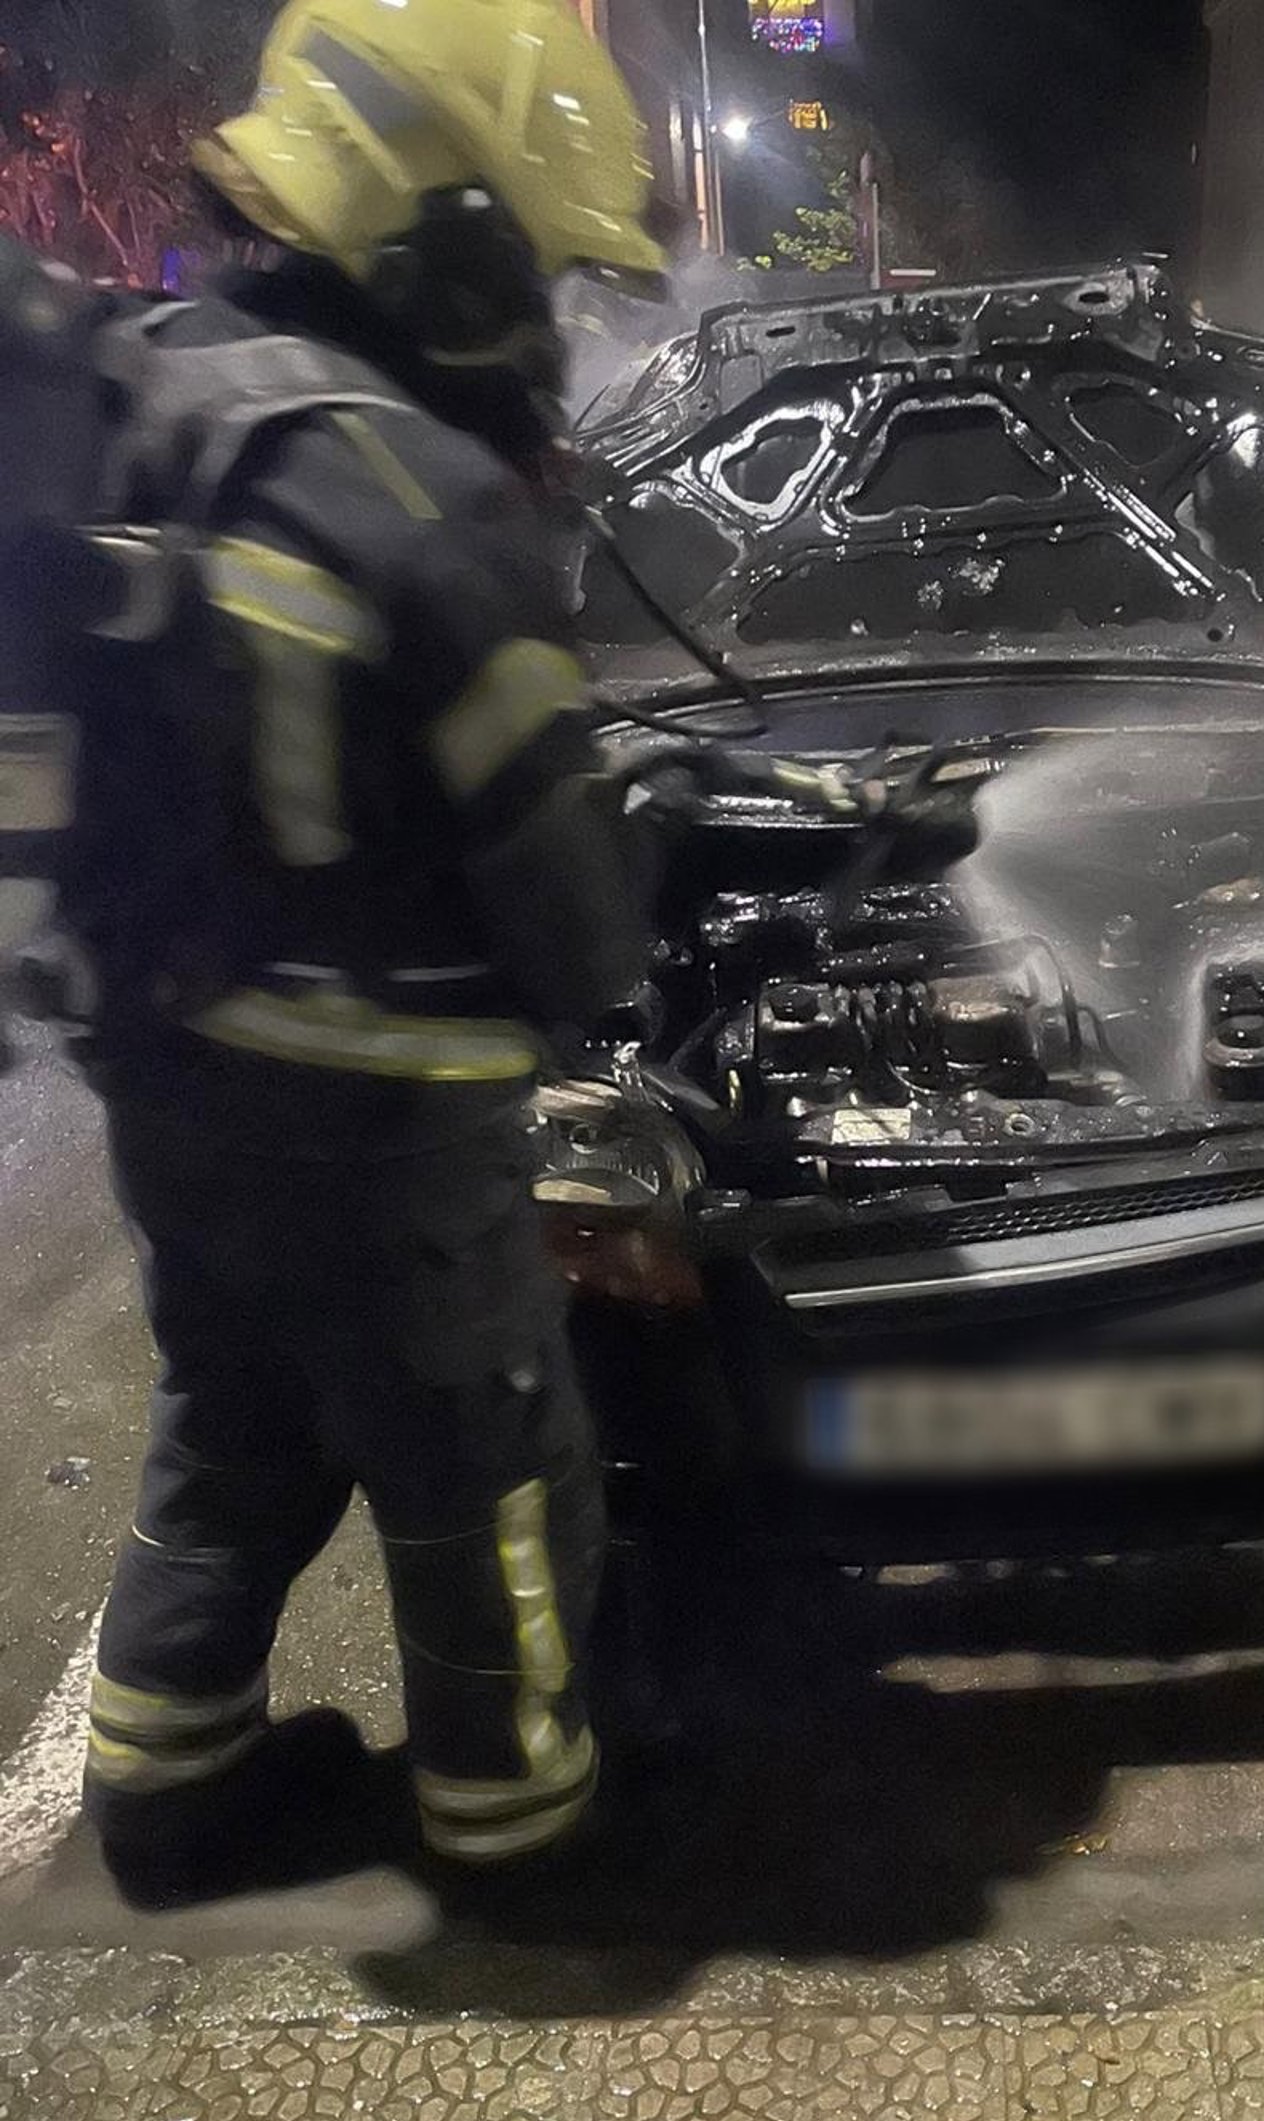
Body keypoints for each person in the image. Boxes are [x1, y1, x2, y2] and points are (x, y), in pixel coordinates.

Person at [67, 0, 678, 1907]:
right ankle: (519, 1834)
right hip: (383, 1123)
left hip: (162, 1074)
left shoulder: (148, 392)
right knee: (487, 1468)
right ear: (448, 245)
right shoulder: (429, 499)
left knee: (232, 1428)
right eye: (542, 269)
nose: (551, 320)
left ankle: (163, 1793)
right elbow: (576, 934)